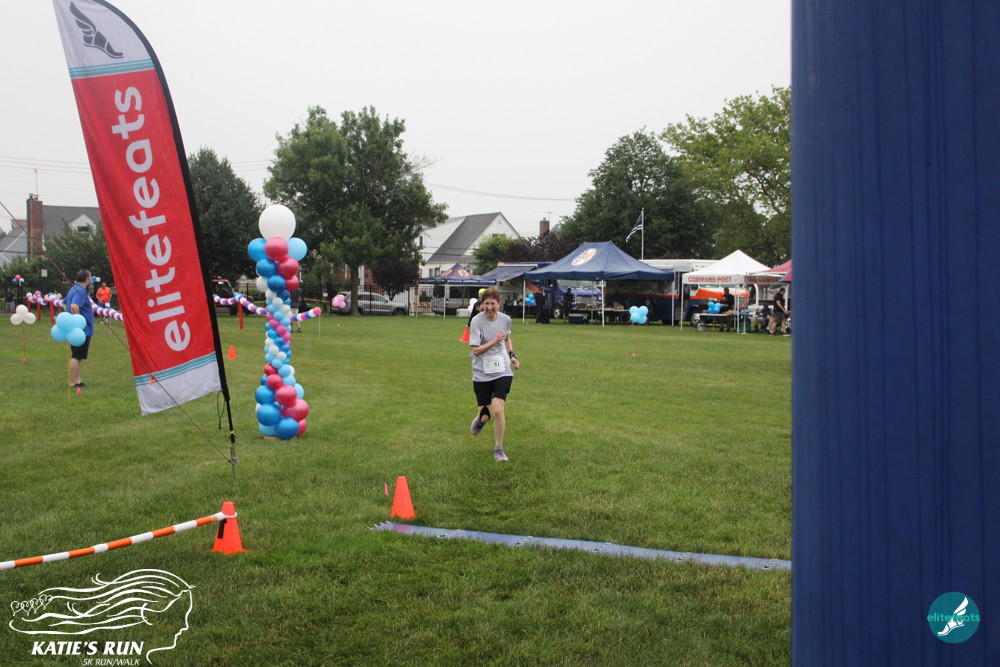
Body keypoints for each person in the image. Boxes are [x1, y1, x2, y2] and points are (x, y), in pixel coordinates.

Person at [468, 287, 521, 462]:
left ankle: (498, 449)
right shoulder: (476, 321)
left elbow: (506, 338)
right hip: (481, 372)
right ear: (482, 305)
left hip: (502, 370)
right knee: (486, 414)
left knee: (498, 409)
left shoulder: (506, 320)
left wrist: (512, 356)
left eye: (492, 303)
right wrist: (494, 340)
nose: (489, 307)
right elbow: (476, 351)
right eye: (486, 304)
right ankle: (482, 420)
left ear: (499, 304)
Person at [65, 269, 94, 388]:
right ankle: (72, 382)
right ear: (87, 279)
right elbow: (74, 306)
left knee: (80, 356)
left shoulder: (73, 289)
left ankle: (77, 380)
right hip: (81, 330)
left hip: (80, 330)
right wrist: (77, 323)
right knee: (76, 355)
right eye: (90, 277)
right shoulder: (80, 290)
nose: (91, 280)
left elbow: (64, 303)